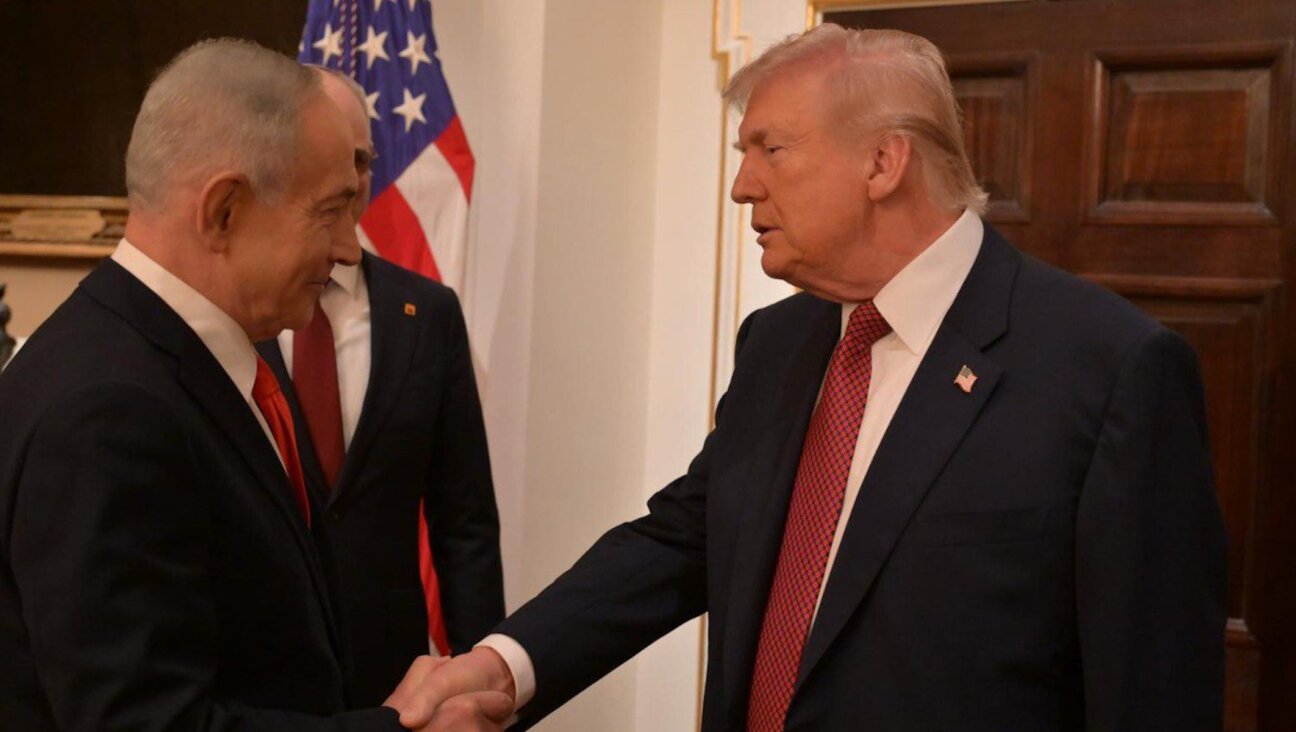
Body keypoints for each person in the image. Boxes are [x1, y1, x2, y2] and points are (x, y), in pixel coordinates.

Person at [390, 24, 1228, 731]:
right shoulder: (779, 343)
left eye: (771, 149)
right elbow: (687, 539)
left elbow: (1153, 682)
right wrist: (508, 665)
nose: (741, 185)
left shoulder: (1108, 367)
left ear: (883, 164)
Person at [0, 39, 508, 731]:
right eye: (328, 211)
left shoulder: (181, 360)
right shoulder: (109, 410)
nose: (344, 248)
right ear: (225, 212)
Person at [256, 66, 505, 708]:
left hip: (392, 674)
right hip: (257, 667)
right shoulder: (237, 308)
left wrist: (481, 676)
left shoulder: (428, 314)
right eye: (335, 161)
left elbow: (465, 520)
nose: (355, 179)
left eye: (364, 160)